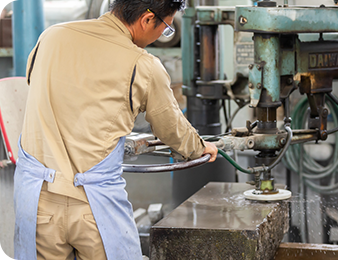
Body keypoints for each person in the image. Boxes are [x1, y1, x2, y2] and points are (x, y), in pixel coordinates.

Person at [13, 0, 218, 259]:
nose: (161, 34)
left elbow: (35, 83)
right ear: (146, 19)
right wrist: (200, 147)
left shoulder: (52, 36)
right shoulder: (142, 64)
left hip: (37, 202)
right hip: (95, 208)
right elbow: (171, 128)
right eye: (166, 27)